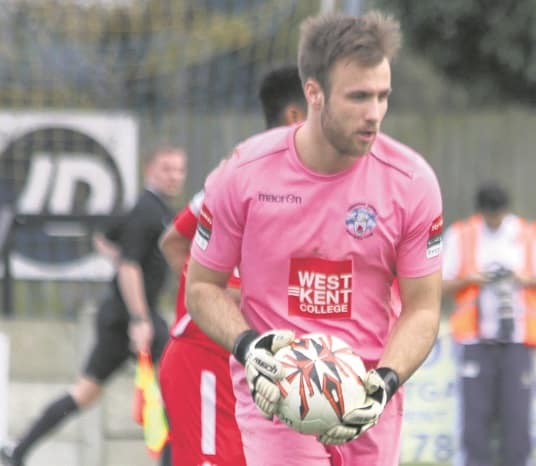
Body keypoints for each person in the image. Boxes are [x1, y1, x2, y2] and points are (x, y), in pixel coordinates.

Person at [185, 11, 443, 466]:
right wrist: (251, 348)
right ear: (314, 94)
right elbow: (203, 287)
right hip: (276, 395)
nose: (374, 114)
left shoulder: (412, 182)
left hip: (368, 400)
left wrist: (384, 382)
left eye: (383, 96)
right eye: (359, 97)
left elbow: (423, 308)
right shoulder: (242, 175)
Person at [158, 64, 306, 466]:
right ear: (297, 114)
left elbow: (175, 241)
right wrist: (206, 298)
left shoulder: (307, 179)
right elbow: (175, 243)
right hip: (206, 362)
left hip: (249, 370)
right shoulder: (243, 174)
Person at [0, 147, 187, 466]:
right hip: (132, 319)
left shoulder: (149, 209)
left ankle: (18, 449)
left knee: (86, 393)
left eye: (179, 170)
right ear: (149, 169)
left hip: (120, 315)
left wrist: (116, 260)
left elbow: (103, 237)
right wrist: (139, 318)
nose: (174, 176)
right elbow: (130, 266)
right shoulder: (146, 211)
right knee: (179, 390)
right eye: (166, 168)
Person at [441, 182, 536, 466]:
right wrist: (471, 279)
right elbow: (440, 282)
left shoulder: (527, 233)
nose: (494, 219)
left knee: (517, 417)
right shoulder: (461, 234)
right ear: (480, 211)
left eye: (498, 214)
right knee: (474, 417)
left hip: (517, 339)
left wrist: (521, 278)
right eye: (489, 214)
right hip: (476, 340)